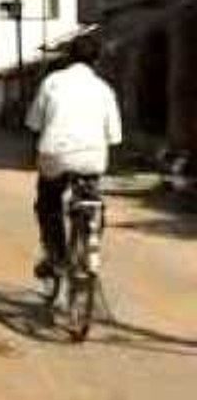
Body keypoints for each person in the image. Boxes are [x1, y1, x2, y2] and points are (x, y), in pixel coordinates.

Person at [25, 34, 122, 280]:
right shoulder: (104, 89)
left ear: (68, 57)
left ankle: (56, 257)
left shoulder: (52, 82)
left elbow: (34, 123)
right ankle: (91, 240)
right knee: (93, 201)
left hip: (55, 155)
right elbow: (114, 137)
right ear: (96, 61)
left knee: (48, 202)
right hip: (92, 158)